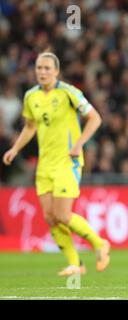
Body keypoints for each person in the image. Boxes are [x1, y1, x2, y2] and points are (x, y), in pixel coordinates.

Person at [2, 52, 111, 276]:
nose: (42, 72)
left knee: (62, 214)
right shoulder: (31, 96)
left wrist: (79, 144)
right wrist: (15, 148)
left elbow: (95, 118)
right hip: (45, 165)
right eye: (39, 68)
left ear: (56, 71)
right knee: (50, 217)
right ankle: (76, 263)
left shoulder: (69, 92)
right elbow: (30, 126)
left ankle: (99, 243)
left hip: (67, 162)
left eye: (47, 68)